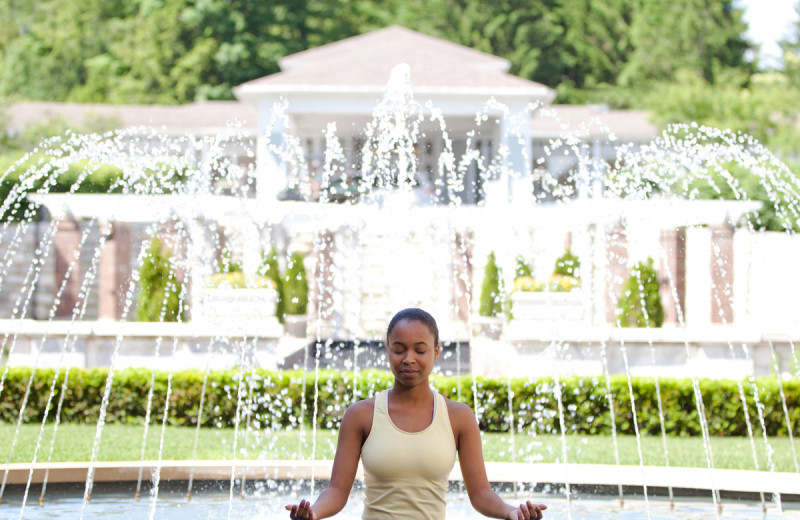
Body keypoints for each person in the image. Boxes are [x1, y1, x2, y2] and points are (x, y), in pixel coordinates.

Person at [285, 308, 547, 520]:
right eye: (398, 349)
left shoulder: (459, 417)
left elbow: (480, 494)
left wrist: (512, 512)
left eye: (420, 350)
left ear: (436, 352)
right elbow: (336, 491)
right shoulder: (361, 415)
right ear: (388, 350)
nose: (408, 358)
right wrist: (314, 513)